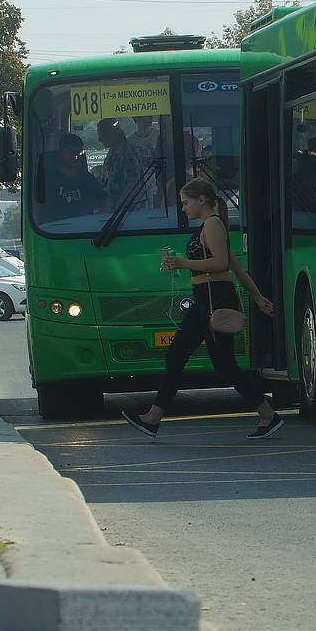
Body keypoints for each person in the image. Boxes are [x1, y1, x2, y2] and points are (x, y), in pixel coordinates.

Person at [123, 177, 282, 440]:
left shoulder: (213, 224)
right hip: (204, 298)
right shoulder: (206, 227)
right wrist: (258, 297)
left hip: (216, 299)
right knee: (176, 355)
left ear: (202, 200)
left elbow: (222, 263)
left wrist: (183, 263)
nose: (183, 208)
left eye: (186, 202)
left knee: (224, 365)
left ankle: (267, 414)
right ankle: (153, 418)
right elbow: (236, 266)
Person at [38, 133, 108, 222]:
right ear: (61, 153)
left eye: (79, 152)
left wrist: (96, 221)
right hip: (52, 232)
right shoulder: (47, 178)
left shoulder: (87, 179)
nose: (75, 156)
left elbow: (107, 201)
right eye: (70, 152)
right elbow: (35, 205)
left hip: (83, 230)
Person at [96, 118, 149, 207]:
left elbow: (132, 184)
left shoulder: (127, 153)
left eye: (102, 134)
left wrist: (119, 206)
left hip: (130, 210)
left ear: (112, 133)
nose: (99, 139)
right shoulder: (112, 152)